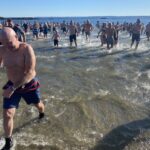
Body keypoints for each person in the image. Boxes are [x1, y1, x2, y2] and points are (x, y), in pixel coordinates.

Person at [0, 27, 45, 150]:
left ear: (16, 37)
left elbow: (30, 73)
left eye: (9, 42)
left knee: (38, 105)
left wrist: (13, 88)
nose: (7, 46)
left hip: (28, 85)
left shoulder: (26, 49)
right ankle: (8, 140)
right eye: (4, 43)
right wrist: (12, 87)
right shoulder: (2, 50)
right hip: (12, 84)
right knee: (8, 114)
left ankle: (42, 114)